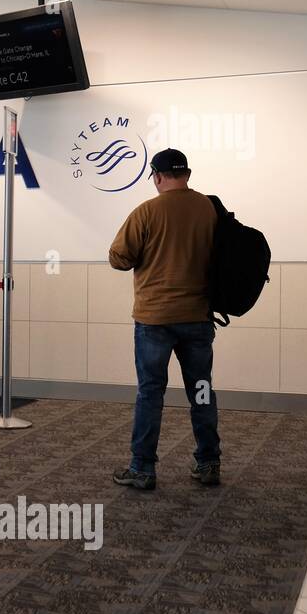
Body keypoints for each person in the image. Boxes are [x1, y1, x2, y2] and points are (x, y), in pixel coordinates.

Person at [108, 148, 221, 492]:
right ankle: (209, 462)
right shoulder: (208, 208)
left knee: (150, 393)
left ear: (157, 176)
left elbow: (118, 259)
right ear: (187, 173)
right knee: (201, 390)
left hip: (154, 319)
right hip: (198, 317)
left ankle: (142, 468)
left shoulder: (147, 211)